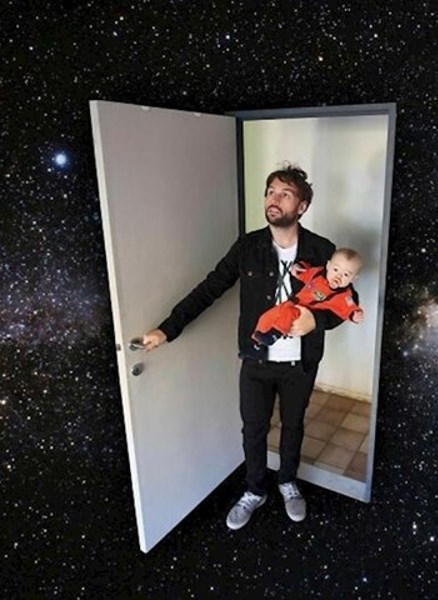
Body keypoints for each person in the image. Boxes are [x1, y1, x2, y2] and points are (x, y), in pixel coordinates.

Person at [140, 164, 346, 530]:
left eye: (285, 194)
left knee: (293, 425)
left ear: (302, 206)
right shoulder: (247, 247)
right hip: (256, 360)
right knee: (253, 429)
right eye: (270, 191)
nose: (273, 199)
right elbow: (210, 288)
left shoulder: (322, 249)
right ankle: (255, 489)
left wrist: (318, 321)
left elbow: (345, 300)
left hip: (301, 363)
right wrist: (167, 330)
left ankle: (287, 481)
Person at [252, 248, 364, 347]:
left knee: (288, 314)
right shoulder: (317, 274)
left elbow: (349, 309)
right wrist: (297, 268)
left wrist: (355, 315)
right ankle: (257, 340)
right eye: (335, 270)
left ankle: (275, 334)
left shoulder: (344, 296)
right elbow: (305, 272)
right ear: (328, 266)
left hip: (303, 312)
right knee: (266, 317)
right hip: (291, 302)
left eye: (346, 274)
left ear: (353, 279)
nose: (338, 276)